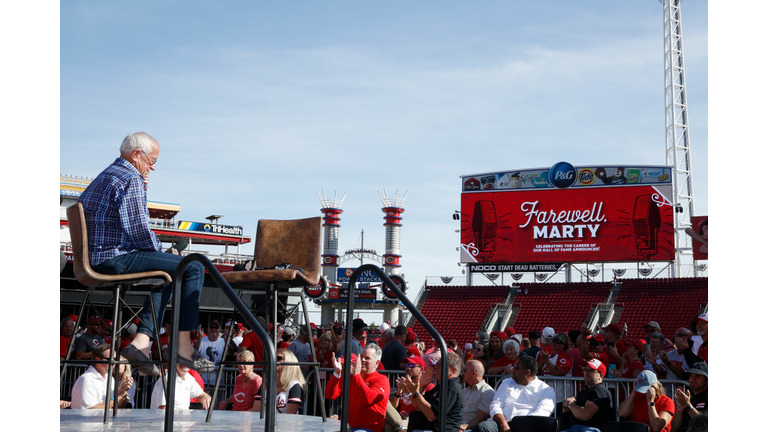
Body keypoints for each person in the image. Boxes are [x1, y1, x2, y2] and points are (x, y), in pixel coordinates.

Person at [78, 132, 214, 374]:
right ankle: (183, 346)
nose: (152, 167)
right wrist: (164, 252)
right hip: (113, 257)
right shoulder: (130, 178)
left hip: (96, 258)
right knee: (191, 265)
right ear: (136, 154)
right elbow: (138, 230)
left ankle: (141, 343)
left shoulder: (106, 175)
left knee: (167, 273)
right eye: (152, 161)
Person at [473, 354, 555, 432]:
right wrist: (503, 423)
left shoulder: (546, 390)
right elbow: (495, 405)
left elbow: (540, 415)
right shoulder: (506, 382)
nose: (512, 370)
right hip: (501, 423)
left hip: (526, 427)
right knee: (484, 427)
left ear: (527, 372)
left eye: (516, 367)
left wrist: (517, 425)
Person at [325, 344, 390, 431]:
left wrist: (357, 376)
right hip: (347, 426)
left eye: (367, 358)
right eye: (362, 356)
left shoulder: (381, 380)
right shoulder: (351, 378)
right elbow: (329, 395)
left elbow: (369, 399)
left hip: (368, 428)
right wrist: (337, 373)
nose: (363, 360)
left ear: (377, 363)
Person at [404, 351, 464, 432]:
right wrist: (421, 386)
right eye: (437, 365)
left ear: (453, 371)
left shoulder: (452, 388)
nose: (436, 367)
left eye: (440, 365)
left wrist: (415, 392)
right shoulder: (442, 386)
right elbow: (419, 407)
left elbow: (431, 416)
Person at [71, 344, 133, 409]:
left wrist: (122, 393)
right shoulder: (87, 379)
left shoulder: (110, 378)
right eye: (111, 359)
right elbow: (90, 410)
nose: (114, 362)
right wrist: (118, 396)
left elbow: (114, 404)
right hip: (86, 419)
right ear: (98, 360)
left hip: (103, 418)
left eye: (115, 359)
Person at [560, 359, 614, 432]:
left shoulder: (599, 391)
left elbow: (585, 415)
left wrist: (570, 404)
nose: (586, 373)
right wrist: (568, 406)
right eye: (585, 370)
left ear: (600, 375)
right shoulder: (586, 390)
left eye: (591, 371)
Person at [387, 355, 435, 432]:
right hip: (399, 418)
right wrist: (398, 393)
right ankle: (401, 426)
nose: (408, 368)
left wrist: (409, 393)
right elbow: (393, 408)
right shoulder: (404, 383)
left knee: (389, 428)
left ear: (421, 369)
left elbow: (423, 409)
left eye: (412, 366)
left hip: (414, 419)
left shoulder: (428, 386)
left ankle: (401, 426)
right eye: (406, 365)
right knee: (385, 404)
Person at [255, 348, 307, 414]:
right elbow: (255, 410)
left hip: (288, 423)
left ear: (289, 361)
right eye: (273, 357)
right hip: (265, 423)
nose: (274, 360)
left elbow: (290, 415)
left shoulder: (294, 385)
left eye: (279, 358)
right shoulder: (266, 384)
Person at [671, 362, 708, 432]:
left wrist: (687, 406)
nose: (692, 379)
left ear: (707, 380)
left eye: (698, 376)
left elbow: (705, 426)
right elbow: (674, 428)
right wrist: (679, 409)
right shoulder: (688, 398)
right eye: (691, 375)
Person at [461, 360, 495, 432]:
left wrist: (463, 427)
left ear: (473, 373)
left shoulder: (487, 392)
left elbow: (481, 418)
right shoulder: (465, 391)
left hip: (470, 429)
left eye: (465, 370)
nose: (462, 373)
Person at [195, 320, 226, 386]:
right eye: (212, 327)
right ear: (208, 329)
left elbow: (232, 353)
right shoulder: (201, 340)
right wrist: (200, 337)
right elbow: (194, 351)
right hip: (202, 381)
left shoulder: (223, 341)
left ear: (219, 329)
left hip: (218, 382)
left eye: (216, 327)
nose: (214, 329)